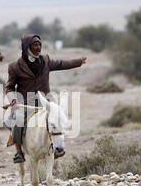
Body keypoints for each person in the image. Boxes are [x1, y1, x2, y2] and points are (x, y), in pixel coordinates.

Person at [5, 34, 87, 163]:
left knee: (58, 117)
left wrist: (79, 62)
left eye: (39, 45)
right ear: (27, 47)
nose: (38, 48)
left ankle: (57, 148)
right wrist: (14, 100)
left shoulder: (46, 60)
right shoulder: (14, 67)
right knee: (18, 119)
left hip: (47, 100)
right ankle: (19, 152)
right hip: (26, 102)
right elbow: (9, 88)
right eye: (35, 45)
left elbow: (61, 64)